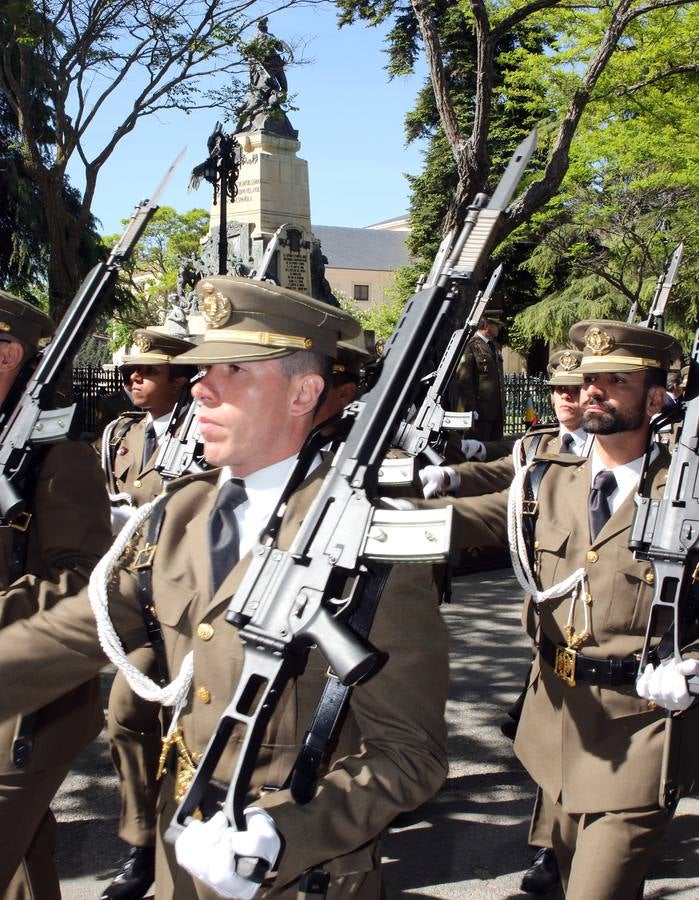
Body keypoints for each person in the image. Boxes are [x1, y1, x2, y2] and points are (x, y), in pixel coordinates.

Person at [0, 277, 449, 899]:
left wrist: (284, 834)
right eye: (203, 368)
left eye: (233, 369)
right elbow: (76, 630)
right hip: (179, 850)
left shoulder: (365, 540)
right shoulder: (179, 514)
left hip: (291, 875)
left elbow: (409, 754)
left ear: (304, 392)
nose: (201, 387)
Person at [420, 320, 696, 899]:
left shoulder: (685, 491)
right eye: (590, 378)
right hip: (556, 723)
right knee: (569, 877)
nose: (593, 390)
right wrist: (378, 511)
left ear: (654, 397)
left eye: (614, 380)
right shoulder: (549, 477)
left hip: (639, 729)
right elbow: (482, 514)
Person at [0, 291, 112, 899]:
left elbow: (83, 579)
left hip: (29, 704)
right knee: (24, 859)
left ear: (8, 354)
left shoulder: (55, 451)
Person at [100, 329, 197, 900]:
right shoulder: (123, 435)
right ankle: (140, 841)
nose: (134, 378)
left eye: (149, 372)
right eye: (132, 370)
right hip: (135, 605)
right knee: (126, 714)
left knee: (190, 728)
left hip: (185, 603)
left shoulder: (204, 433)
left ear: (179, 380)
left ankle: (182, 841)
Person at [455, 312, 506, 441]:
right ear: (486, 325)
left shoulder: (494, 346)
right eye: (496, 325)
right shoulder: (471, 346)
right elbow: (464, 379)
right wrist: (471, 409)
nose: (499, 328)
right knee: (479, 453)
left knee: (495, 453)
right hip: (480, 413)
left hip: (496, 411)